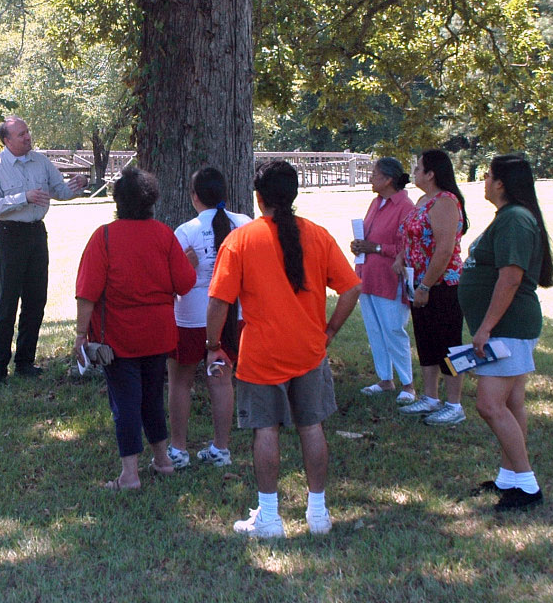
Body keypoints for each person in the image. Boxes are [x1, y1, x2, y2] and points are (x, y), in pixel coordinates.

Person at [207, 160, 361, 539]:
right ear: (293, 195)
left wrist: (213, 345)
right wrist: (330, 332)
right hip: (309, 351)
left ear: (259, 199)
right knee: (312, 427)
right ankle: (318, 513)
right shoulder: (318, 235)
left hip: (262, 355)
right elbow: (352, 288)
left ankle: (271, 517)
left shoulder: (241, 239)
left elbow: (218, 303)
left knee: (265, 431)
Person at [74, 167, 196, 491]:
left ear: (118, 201)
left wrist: (79, 335)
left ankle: (130, 475)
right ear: (151, 200)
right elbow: (185, 282)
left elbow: (87, 292)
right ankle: (162, 460)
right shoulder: (164, 235)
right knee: (152, 398)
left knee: (125, 403)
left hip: (119, 337)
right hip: (159, 334)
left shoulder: (105, 237)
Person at [458, 154, 553, 511]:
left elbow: (511, 277)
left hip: (507, 327)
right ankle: (509, 476)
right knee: (512, 403)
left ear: (500, 182)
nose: (483, 180)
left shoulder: (515, 219)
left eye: (487, 175)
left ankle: (527, 486)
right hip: (508, 326)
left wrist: (485, 327)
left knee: (489, 404)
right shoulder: (510, 217)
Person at [0, 116, 88, 387]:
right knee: (7, 304)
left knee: (35, 301)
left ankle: (25, 362)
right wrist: (23, 197)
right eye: (21, 134)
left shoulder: (41, 162)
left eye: (27, 132)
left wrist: (77, 185)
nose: (28, 137)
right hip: (9, 237)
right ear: (7, 140)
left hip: (36, 235)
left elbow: (60, 191)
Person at [166, 167, 251, 469]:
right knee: (222, 378)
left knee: (179, 381)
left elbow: (174, 280)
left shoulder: (186, 230)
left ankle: (177, 449)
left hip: (190, 314)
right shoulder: (245, 224)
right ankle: (221, 448)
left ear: (194, 196)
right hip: (232, 313)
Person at [393, 149, 469, 425]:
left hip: (442, 284)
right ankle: (430, 397)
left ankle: (454, 404)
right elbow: (412, 237)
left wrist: (426, 284)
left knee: (448, 344)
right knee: (425, 339)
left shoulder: (445, 202)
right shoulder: (424, 200)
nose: (414, 172)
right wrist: (402, 257)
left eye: (418, 168)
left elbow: (445, 248)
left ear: (431, 173)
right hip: (418, 282)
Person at [350, 157, 416, 404]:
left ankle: (408, 384)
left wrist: (375, 247)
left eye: (375, 174)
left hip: (391, 278)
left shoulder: (405, 206)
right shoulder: (376, 203)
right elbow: (370, 236)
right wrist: (359, 245)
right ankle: (385, 379)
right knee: (375, 329)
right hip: (368, 275)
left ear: (388, 179)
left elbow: (406, 246)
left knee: (393, 329)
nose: (370, 178)